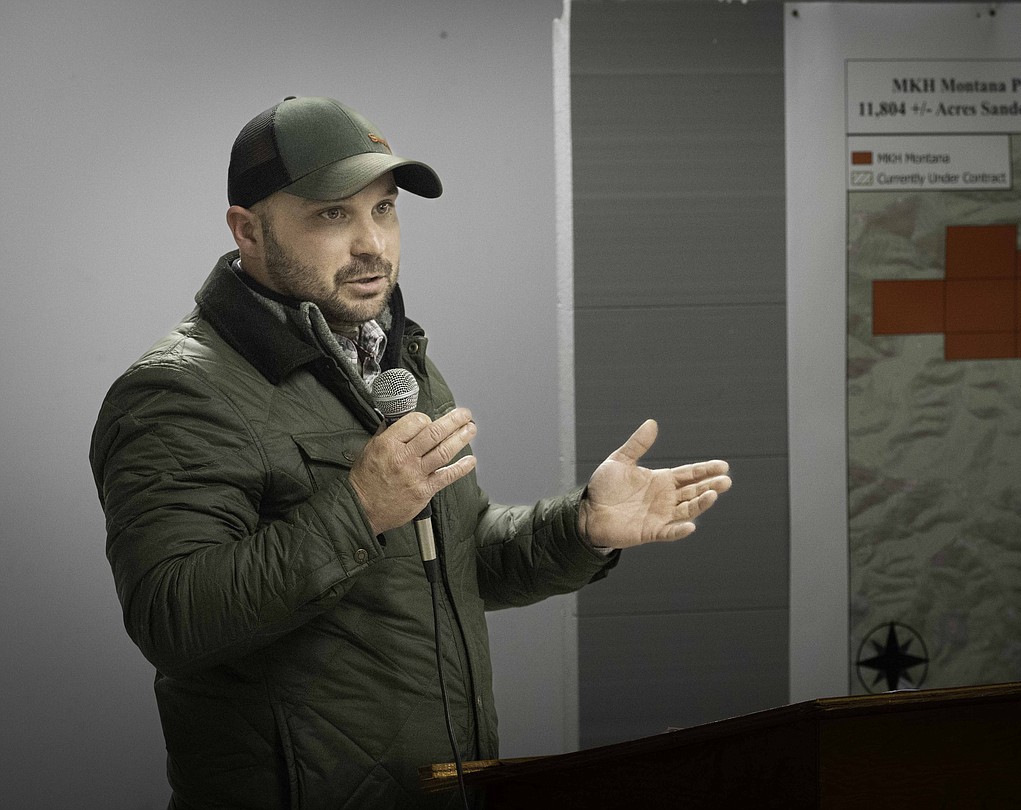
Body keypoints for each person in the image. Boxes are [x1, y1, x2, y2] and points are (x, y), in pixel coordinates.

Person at [89, 96, 731, 809]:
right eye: (333, 214)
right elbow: (172, 618)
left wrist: (578, 528)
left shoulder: (392, 361)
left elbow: (453, 556)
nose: (374, 244)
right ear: (249, 230)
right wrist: (359, 509)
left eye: (385, 210)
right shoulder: (179, 391)